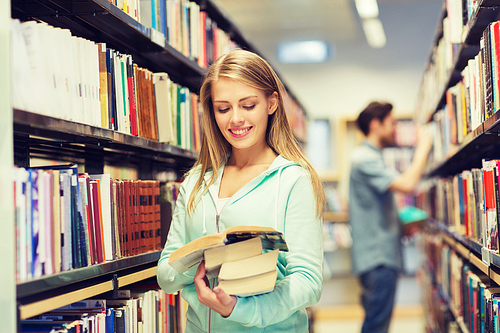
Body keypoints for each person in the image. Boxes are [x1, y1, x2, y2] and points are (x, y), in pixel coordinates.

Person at [156, 49, 324, 333]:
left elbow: (307, 281)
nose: (235, 119)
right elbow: (166, 275)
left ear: (271, 104)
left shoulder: (294, 179)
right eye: (223, 108)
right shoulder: (197, 181)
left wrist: (240, 309)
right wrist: (203, 262)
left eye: (248, 105)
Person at [349, 101, 432, 333]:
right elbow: (407, 184)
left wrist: (401, 226)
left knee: (377, 322)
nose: (396, 129)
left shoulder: (371, 156)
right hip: (378, 259)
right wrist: (424, 147)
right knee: (376, 326)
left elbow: (374, 207)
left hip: (379, 256)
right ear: (376, 125)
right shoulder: (364, 158)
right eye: (392, 123)